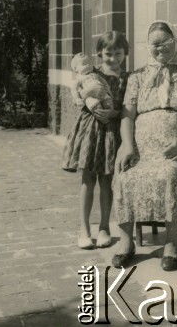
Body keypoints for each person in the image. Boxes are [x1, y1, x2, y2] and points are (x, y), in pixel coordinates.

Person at [112, 20, 177, 271]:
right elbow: (127, 115)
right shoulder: (137, 77)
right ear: (148, 47)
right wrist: (127, 146)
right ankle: (126, 243)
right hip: (142, 151)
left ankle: (172, 243)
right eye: (156, 44)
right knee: (124, 174)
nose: (161, 48)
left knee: (170, 175)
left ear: (175, 42)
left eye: (166, 42)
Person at [61, 31, 129, 250]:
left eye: (118, 53)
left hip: (111, 131)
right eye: (108, 53)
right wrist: (85, 101)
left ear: (125, 53)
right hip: (91, 130)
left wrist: (114, 113)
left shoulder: (128, 79)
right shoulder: (91, 74)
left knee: (107, 181)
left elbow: (129, 109)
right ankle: (84, 229)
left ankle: (104, 228)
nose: (113, 58)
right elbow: (79, 97)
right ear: (100, 52)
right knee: (88, 179)